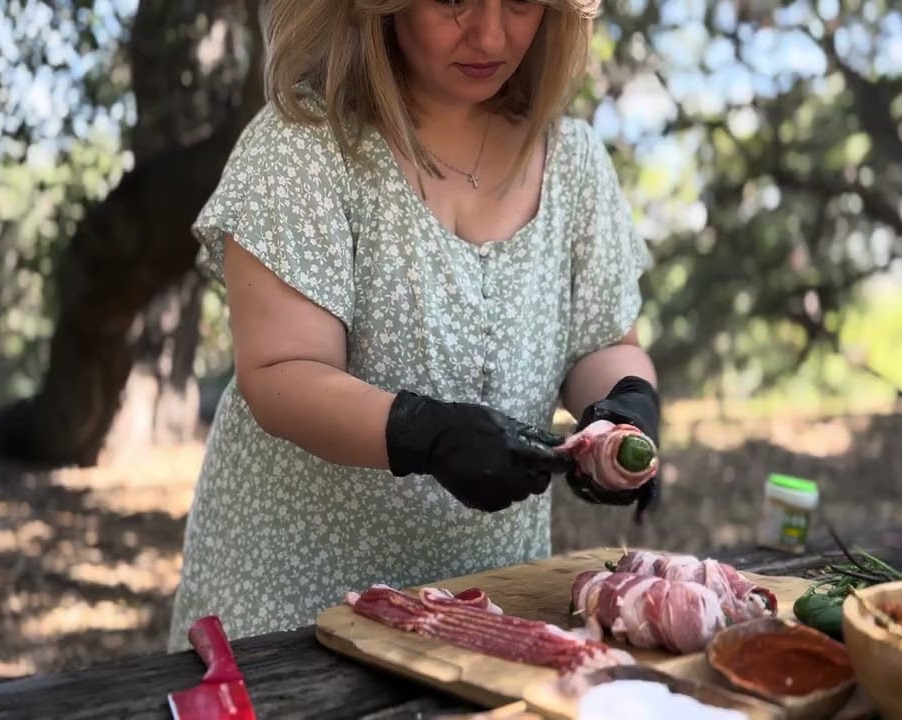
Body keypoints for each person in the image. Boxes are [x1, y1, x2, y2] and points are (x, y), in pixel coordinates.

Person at [166, 0, 662, 649]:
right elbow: (280, 376)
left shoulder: (573, 161)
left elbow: (603, 345)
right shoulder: (302, 146)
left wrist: (629, 405)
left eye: (520, 1)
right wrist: (424, 435)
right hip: (291, 614)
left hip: (485, 613)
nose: (489, 34)